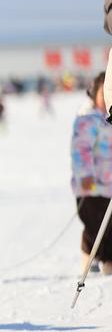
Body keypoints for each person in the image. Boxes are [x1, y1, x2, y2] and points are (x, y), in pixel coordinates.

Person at [71, 72, 112, 274]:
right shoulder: (87, 117)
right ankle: (89, 263)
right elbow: (80, 152)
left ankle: (107, 265)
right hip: (91, 188)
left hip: (108, 187)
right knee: (93, 228)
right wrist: (87, 181)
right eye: (103, 94)